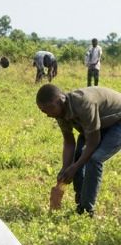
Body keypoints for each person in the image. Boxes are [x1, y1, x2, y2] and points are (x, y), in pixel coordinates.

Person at [36, 83, 121, 216]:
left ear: (60, 100)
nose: (48, 114)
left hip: (117, 121)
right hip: (96, 125)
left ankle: (86, 210)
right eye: (43, 111)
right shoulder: (59, 113)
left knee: (94, 159)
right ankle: (81, 199)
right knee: (78, 157)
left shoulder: (83, 103)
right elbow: (69, 142)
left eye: (49, 109)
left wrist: (74, 167)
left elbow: (93, 142)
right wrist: (65, 168)